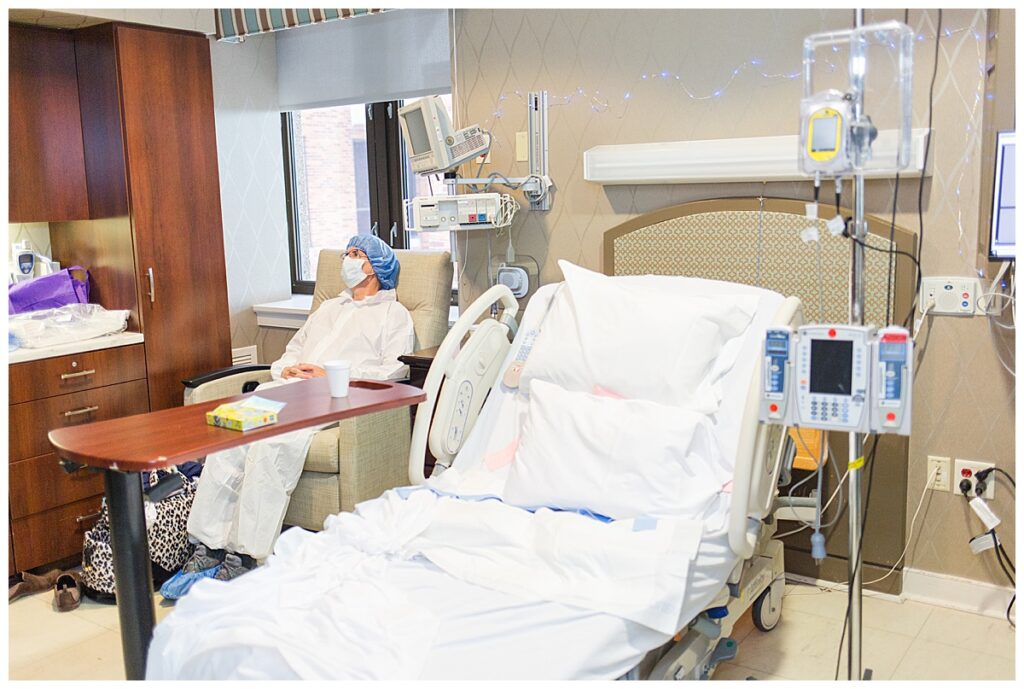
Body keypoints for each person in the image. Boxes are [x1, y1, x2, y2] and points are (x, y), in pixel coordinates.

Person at [162, 235, 415, 598]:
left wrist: (328, 375)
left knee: (270, 445)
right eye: (346, 253)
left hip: (332, 398)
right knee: (229, 435)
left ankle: (245, 556)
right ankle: (207, 545)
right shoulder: (329, 309)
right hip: (285, 389)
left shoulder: (393, 315)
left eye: (355, 255)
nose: (346, 259)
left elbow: (394, 370)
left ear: (374, 267)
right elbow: (291, 351)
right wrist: (289, 370)